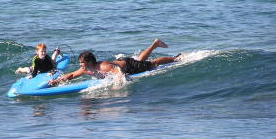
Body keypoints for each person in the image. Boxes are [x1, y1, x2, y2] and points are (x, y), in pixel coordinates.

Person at [49, 38, 180, 86]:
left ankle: (175, 58)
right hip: (121, 61)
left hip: (128, 65)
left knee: (152, 64)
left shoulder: (103, 66)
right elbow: (71, 75)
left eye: (82, 63)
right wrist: (56, 81)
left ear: (89, 62)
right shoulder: (85, 69)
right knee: (140, 59)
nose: (80, 66)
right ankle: (154, 44)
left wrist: (119, 81)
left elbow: (117, 71)